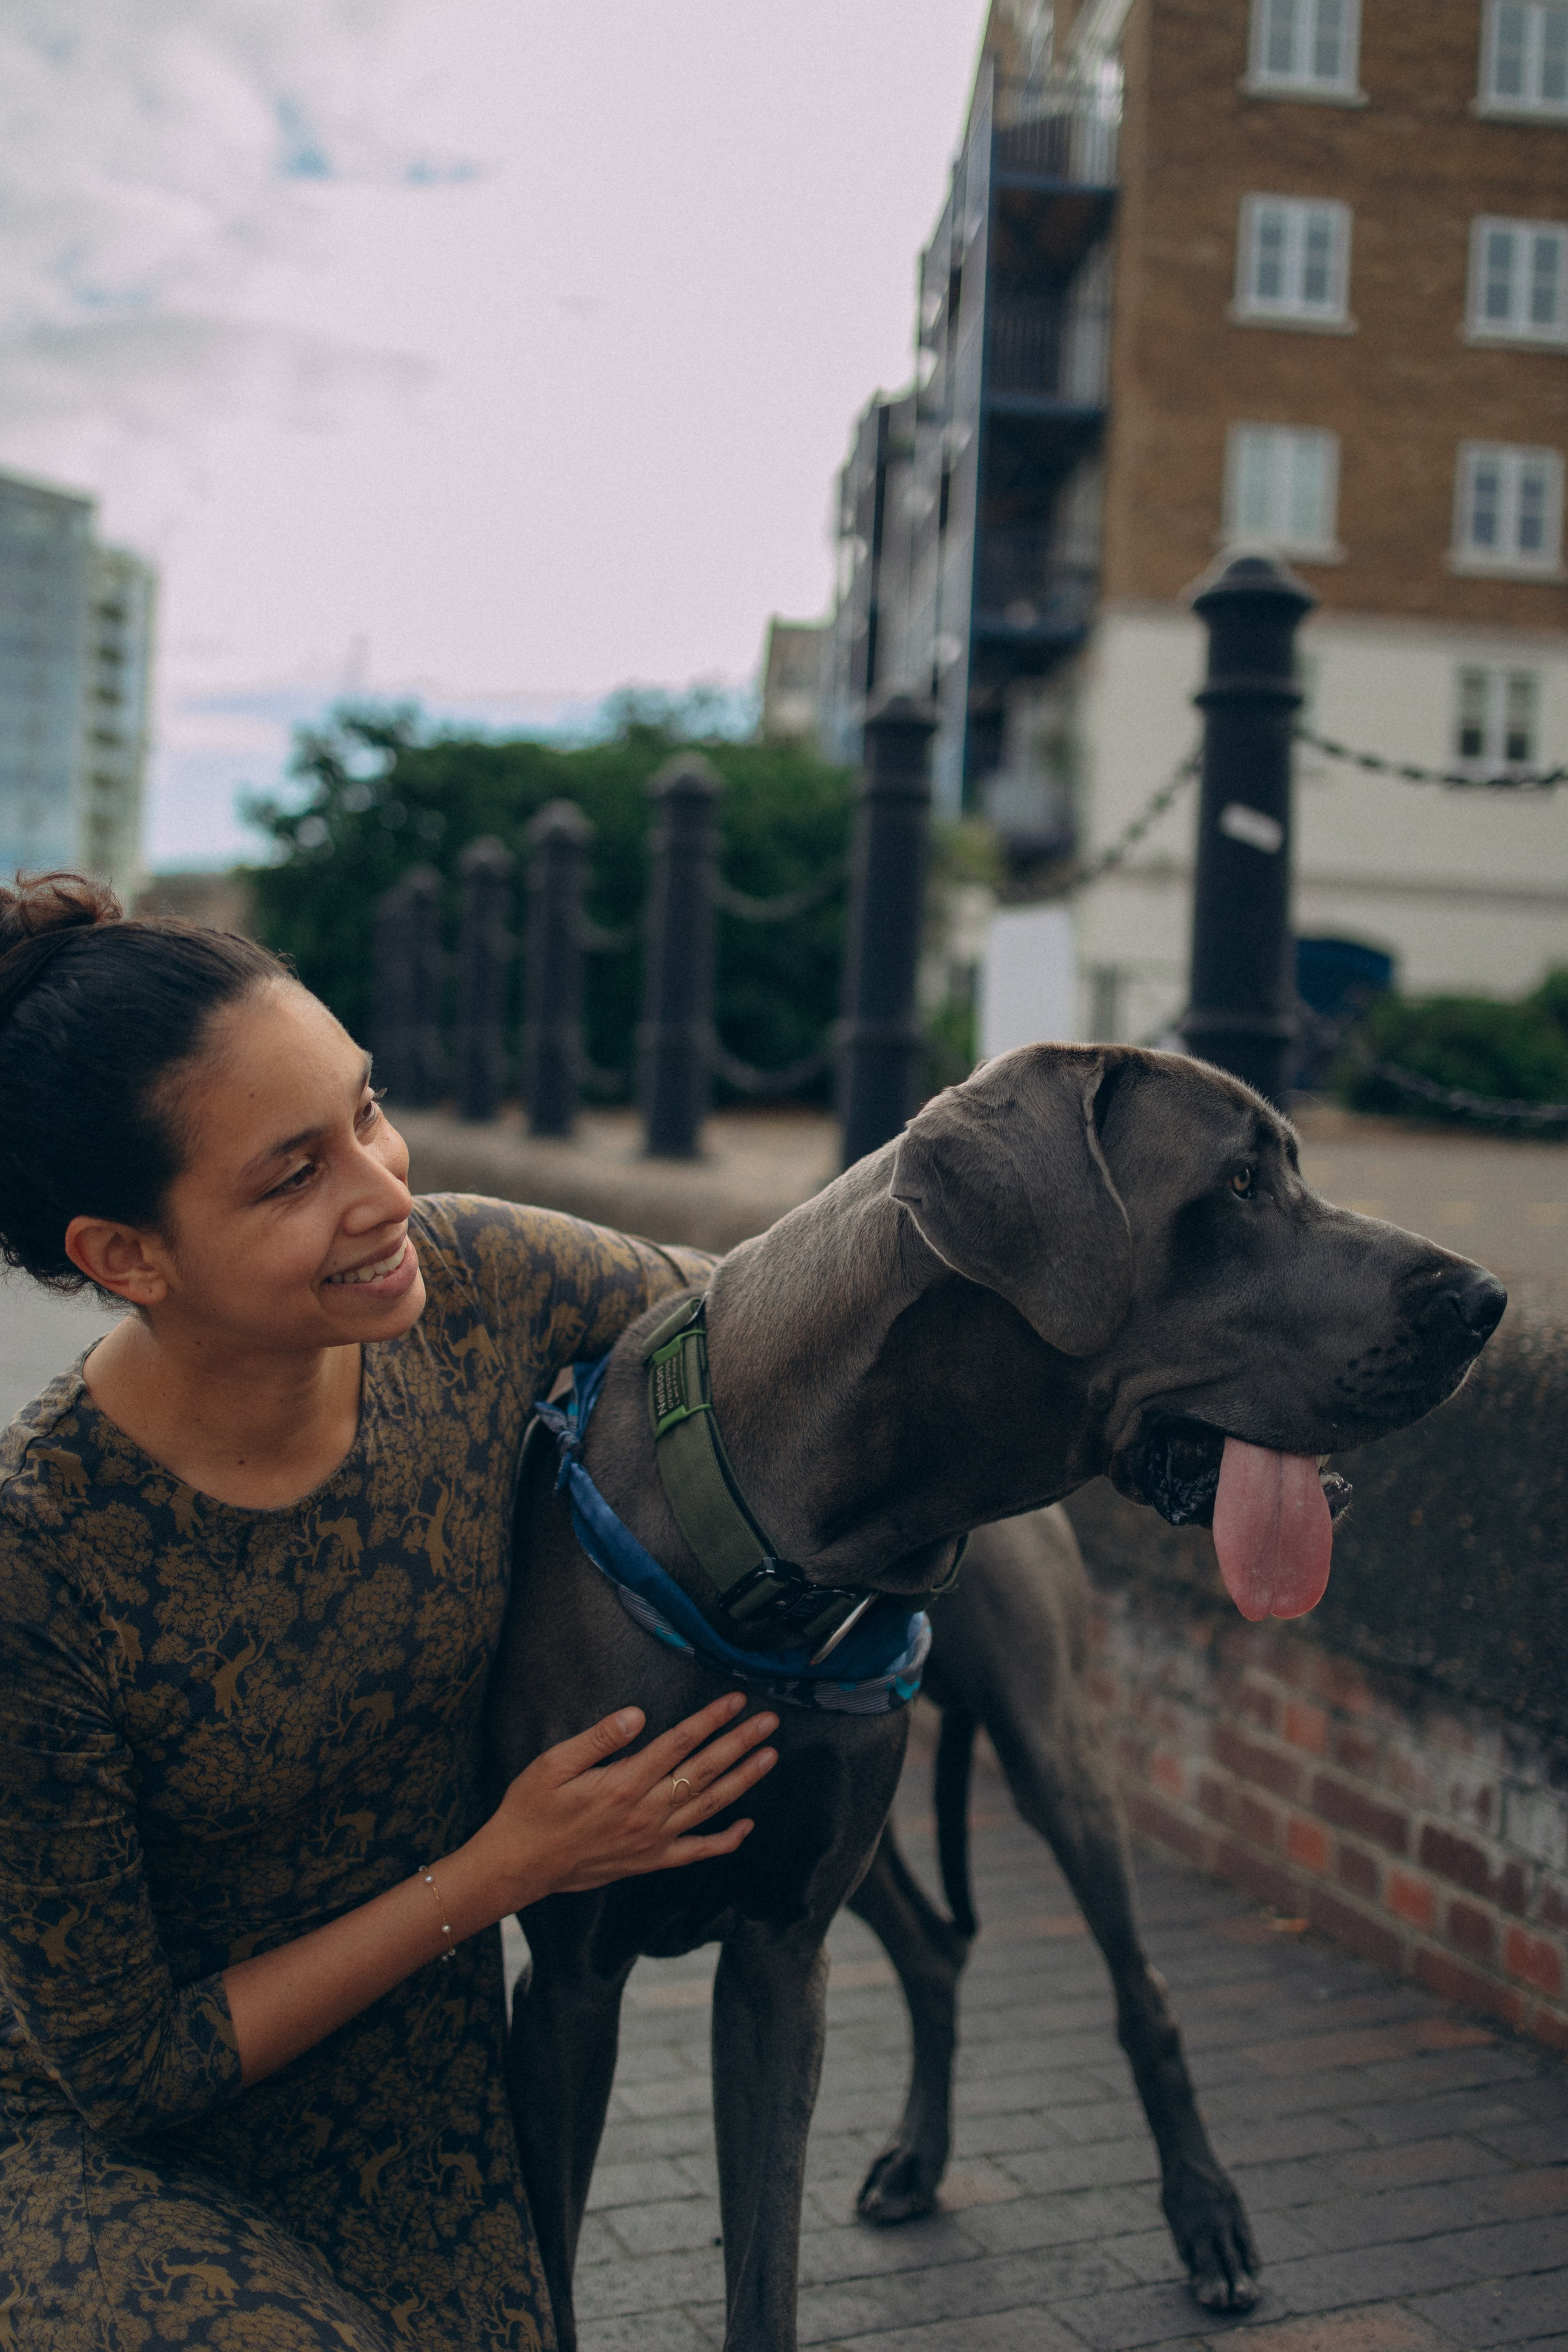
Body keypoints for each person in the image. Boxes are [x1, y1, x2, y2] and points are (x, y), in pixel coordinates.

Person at [0, 873, 778, 2351]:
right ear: (125, 1257)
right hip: (91, 2149)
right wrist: (502, 1872)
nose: (384, 1191)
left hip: (415, 2111)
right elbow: (131, 2071)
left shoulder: (478, 1284)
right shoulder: (38, 1565)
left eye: (367, 1110)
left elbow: (768, 1322)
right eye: (292, 1176)